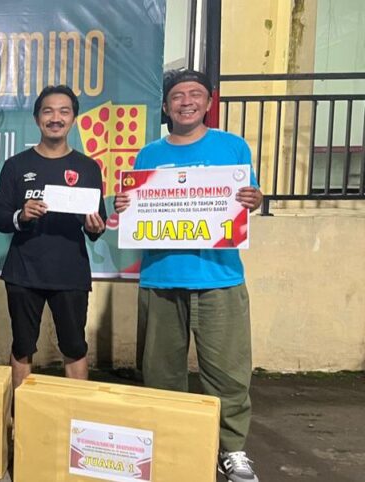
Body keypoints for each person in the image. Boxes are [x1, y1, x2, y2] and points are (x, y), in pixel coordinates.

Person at [115, 69, 264, 482]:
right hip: (161, 278)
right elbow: (136, 207)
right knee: (161, 373)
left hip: (220, 278)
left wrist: (255, 199)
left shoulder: (232, 147)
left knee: (228, 373)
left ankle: (232, 450)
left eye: (195, 94)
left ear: (208, 102)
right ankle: (170, 446)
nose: (186, 102)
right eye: (177, 96)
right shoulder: (148, 155)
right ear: (166, 106)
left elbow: (248, 198)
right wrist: (126, 205)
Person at [0, 85, 107, 387]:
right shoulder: (16, 165)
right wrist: (21, 215)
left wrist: (95, 227)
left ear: (73, 119)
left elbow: (99, 221)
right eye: (48, 111)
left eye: (64, 111)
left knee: (74, 346)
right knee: (22, 345)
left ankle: (74, 413)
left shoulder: (88, 167)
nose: (56, 118)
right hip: (23, 271)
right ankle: (20, 412)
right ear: (36, 118)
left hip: (70, 272)